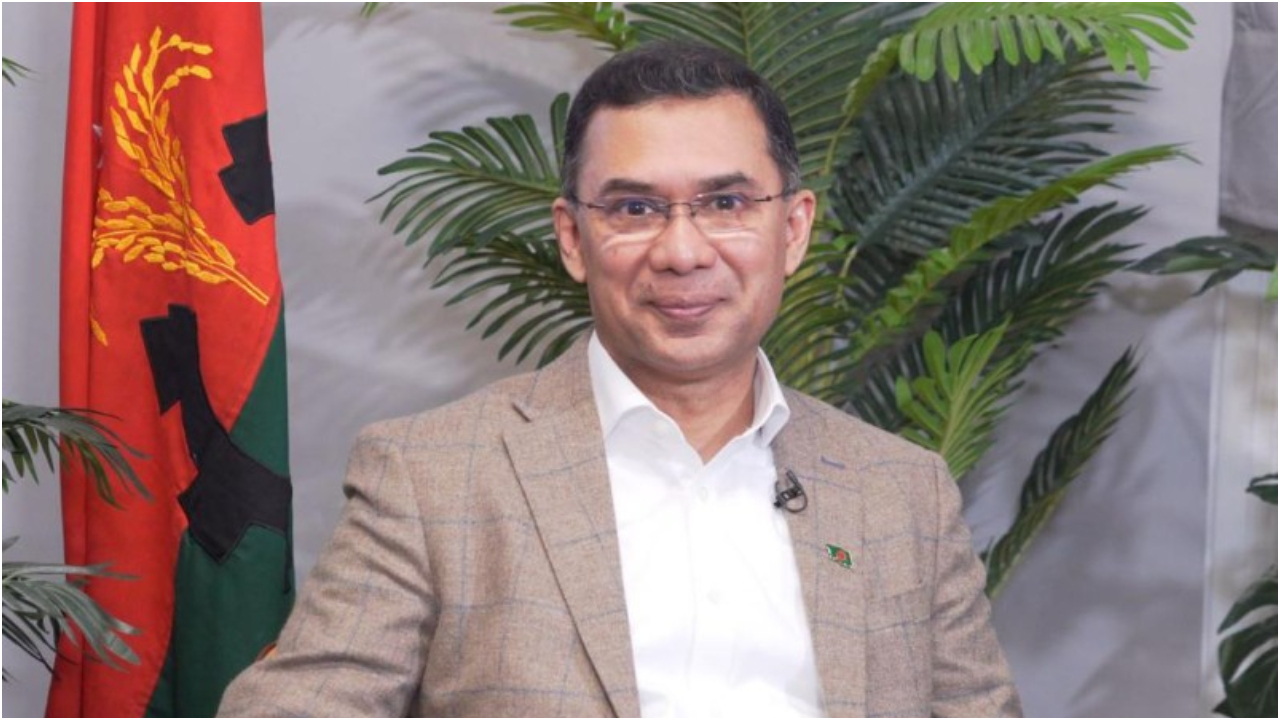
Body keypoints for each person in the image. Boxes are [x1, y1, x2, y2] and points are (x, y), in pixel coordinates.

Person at [219, 40, 1021, 718]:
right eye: (635, 209)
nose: (683, 252)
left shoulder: (902, 493)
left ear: (793, 228)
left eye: (726, 202)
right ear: (573, 238)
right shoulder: (433, 478)